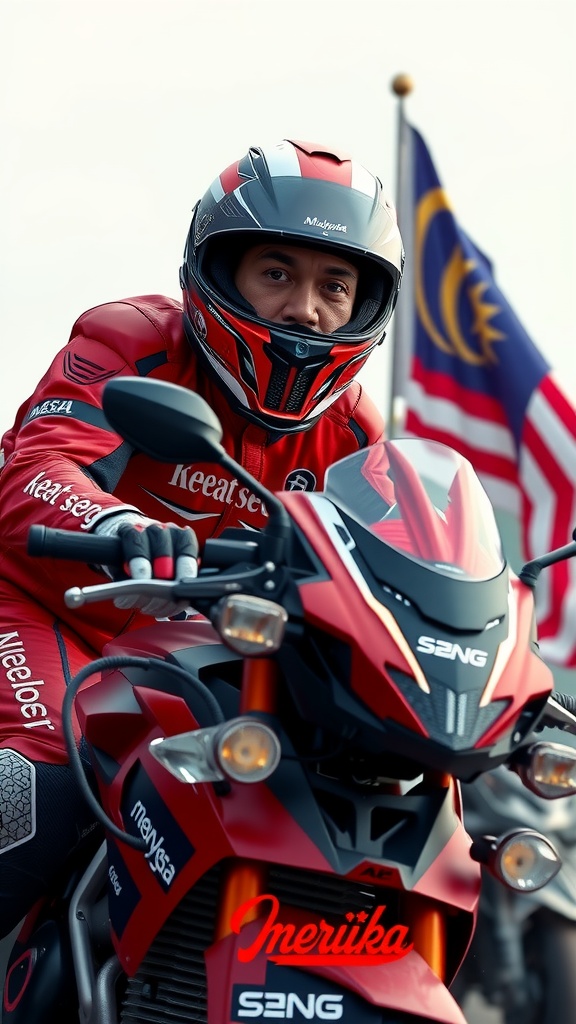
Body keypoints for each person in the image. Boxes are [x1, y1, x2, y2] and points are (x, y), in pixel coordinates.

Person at [0, 138, 404, 935]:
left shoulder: (356, 436)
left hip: (214, 664)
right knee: (44, 780)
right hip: (63, 616)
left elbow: (388, 565)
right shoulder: (132, 341)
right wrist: (116, 524)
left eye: (335, 285)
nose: (306, 310)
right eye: (278, 273)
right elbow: (38, 467)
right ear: (221, 273)